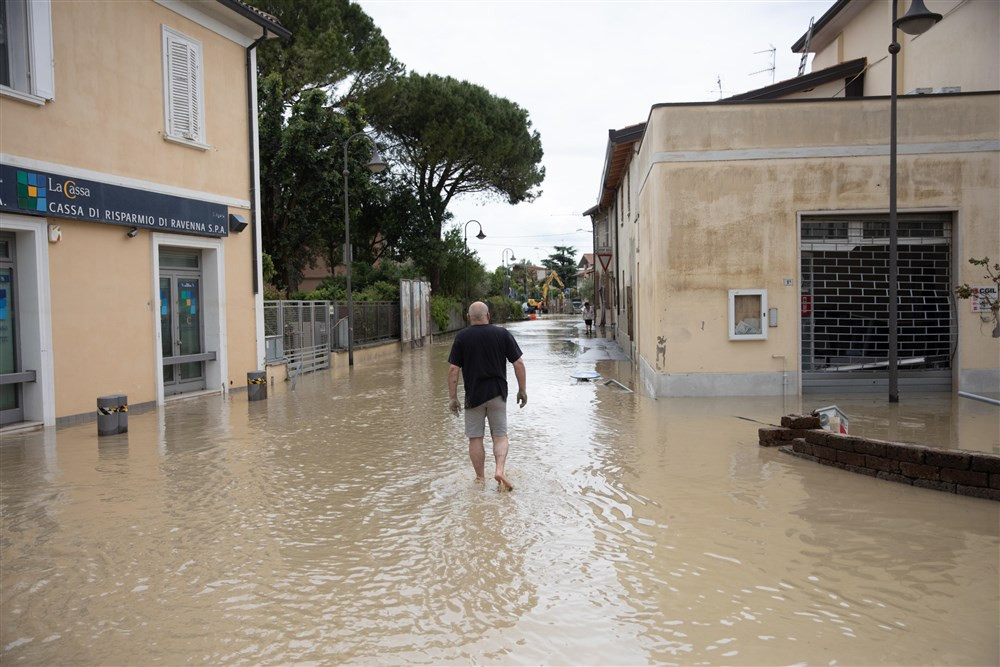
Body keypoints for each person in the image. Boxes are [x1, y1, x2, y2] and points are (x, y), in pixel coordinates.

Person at [448, 301, 527, 492]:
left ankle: (480, 479)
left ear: (468, 318)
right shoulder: (502, 334)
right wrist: (522, 390)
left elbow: (453, 369)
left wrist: (453, 398)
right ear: (488, 316)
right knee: (500, 436)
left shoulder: (462, 337)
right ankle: (499, 470)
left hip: (473, 396)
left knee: (475, 438)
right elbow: (518, 363)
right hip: (498, 394)